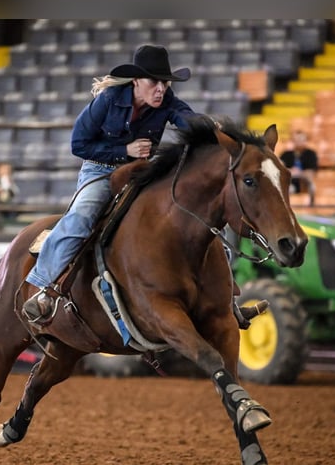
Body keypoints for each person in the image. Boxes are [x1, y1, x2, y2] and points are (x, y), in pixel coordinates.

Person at [21, 44, 267, 329]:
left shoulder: (167, 100)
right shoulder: (108, 100)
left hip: (143, 172)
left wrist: (209, 127)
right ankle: (44, 289)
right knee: (81, 216)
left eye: (165, 82)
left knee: (202, 219)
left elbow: (185, 117)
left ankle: (224, 302)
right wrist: (123, 149)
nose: (161, 88)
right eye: (155, 82)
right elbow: (79, 144)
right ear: (136, 81)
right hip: (101, 171)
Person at [279, 130, 318, 203]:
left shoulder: (311, 154)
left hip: (305, 183)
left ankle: (312, 206)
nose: (299, 142)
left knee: (312, 187)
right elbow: (280, 169)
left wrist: (297, 173)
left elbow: (310, 173)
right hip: (290, 183)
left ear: (305, 141)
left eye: (301, 140)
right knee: (288, 189)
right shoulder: (286, 154)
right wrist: (291, 172)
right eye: (296, 140)